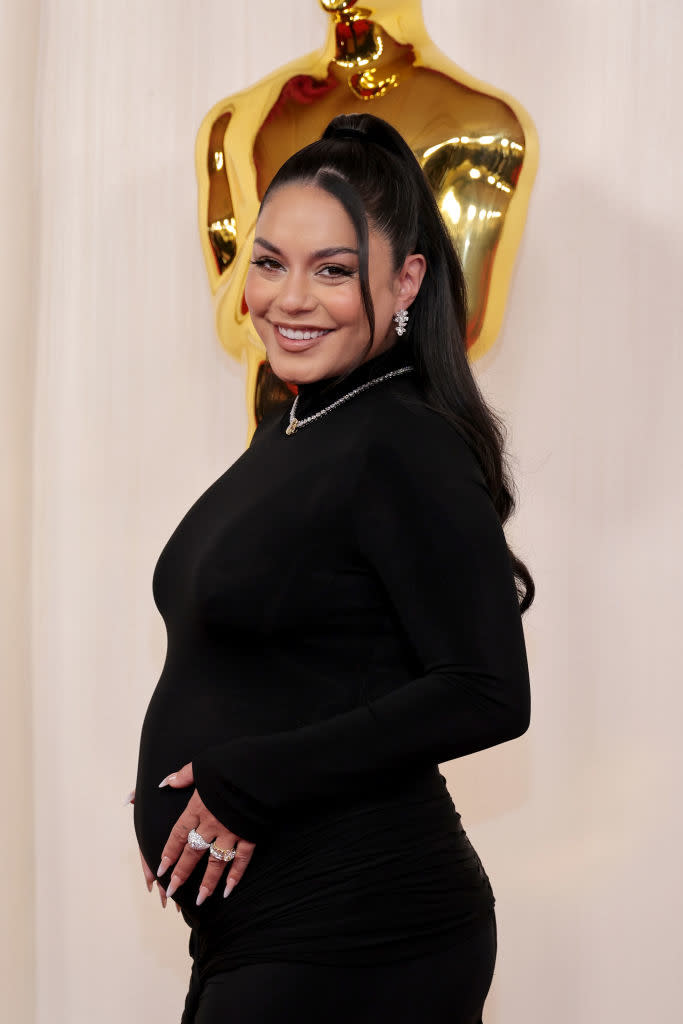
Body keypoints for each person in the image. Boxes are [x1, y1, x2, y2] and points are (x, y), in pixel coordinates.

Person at [132, 111, 533, 1023]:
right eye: (269, 263)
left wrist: (251, 777)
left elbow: (486, 689)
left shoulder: (402, 439)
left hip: (361, 929)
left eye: (334, 270)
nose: (290, 299)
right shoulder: (303, 422)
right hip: (273, 932)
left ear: (405, 281)